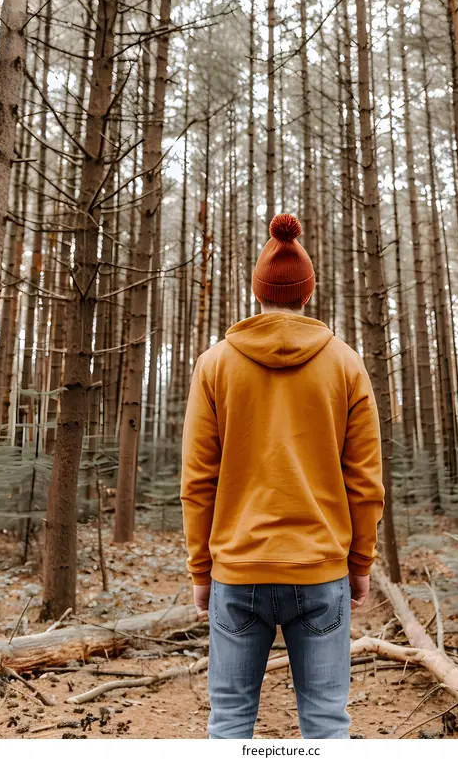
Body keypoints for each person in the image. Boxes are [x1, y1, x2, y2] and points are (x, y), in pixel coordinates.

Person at [181, 212, 384, 739]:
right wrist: (360, 562)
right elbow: (365, 480)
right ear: (306, 294)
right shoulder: (345, 364)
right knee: (325, 724)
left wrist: (202, 571)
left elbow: (198, 481)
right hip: (320, 570)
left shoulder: (216, 364)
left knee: (228, 722)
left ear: (259, 293)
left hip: (237, 569)